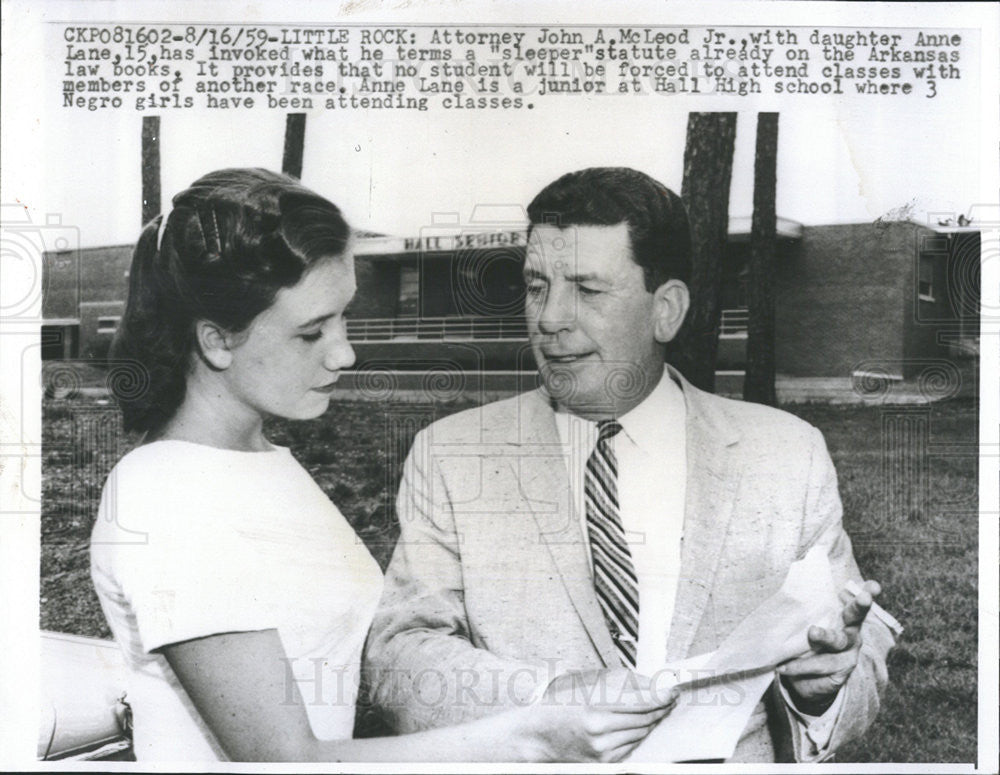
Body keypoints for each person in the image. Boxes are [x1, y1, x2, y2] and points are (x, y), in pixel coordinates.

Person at [89, 168, 678, 762]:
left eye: (344, 317)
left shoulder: (263, 463)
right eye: (311, 333)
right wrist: (532, 735)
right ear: (217, 340)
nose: (344, 353)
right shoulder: (170, 495)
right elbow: (285, 761)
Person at [364, 167, 897, 762]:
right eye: (537, 286)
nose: (549, 318)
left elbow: (857, 653)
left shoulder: (787, 454)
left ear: (666, 310)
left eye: (587, 290)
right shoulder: (453, 456)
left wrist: (821, 690)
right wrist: (547, 702)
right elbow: (399, 655)